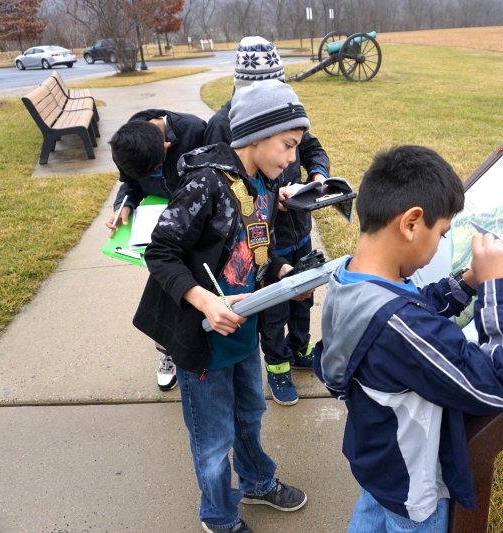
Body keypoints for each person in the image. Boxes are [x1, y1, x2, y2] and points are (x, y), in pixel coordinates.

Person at [313, 145, 503, 532]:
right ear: (412, 223)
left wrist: (465, 283)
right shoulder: (402, 328)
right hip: (413, 491)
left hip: (377, 466)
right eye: (442, 233)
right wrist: (498, 287)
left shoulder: (349, 278)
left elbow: (408, 304)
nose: (439, 246)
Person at [132, 79, 312, 533]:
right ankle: (219, 515)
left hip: (242, 334)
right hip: (202, 343)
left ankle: (256, 481)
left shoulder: (265, 188)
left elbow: (257, 256)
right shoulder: (206, 184)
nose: (293, 159)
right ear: (255, 136)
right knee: (214, 441)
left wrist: (287, 280)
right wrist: (203, 300)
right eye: (288, 146)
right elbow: (161, 252)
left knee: (250, 414)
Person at [204, 36, 331, 406]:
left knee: (303, 296)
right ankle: (277, 368)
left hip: (299, 230)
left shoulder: (286, 110)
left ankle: (299, 349)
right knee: (273, 309)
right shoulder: (221, 125)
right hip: (262, 242)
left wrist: (318, 177)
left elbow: (312, 147)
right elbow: (221, 196)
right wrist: (271, 202)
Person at [107, 109, 207, 392]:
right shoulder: (131, 139)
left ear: (167, 147)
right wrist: (123, 204)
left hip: (196, 228)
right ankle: (169, 353)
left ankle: (200, 351)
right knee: (167, 293)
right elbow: (131, 183)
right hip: (160, 233)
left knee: (194, 292)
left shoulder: (196, 131)